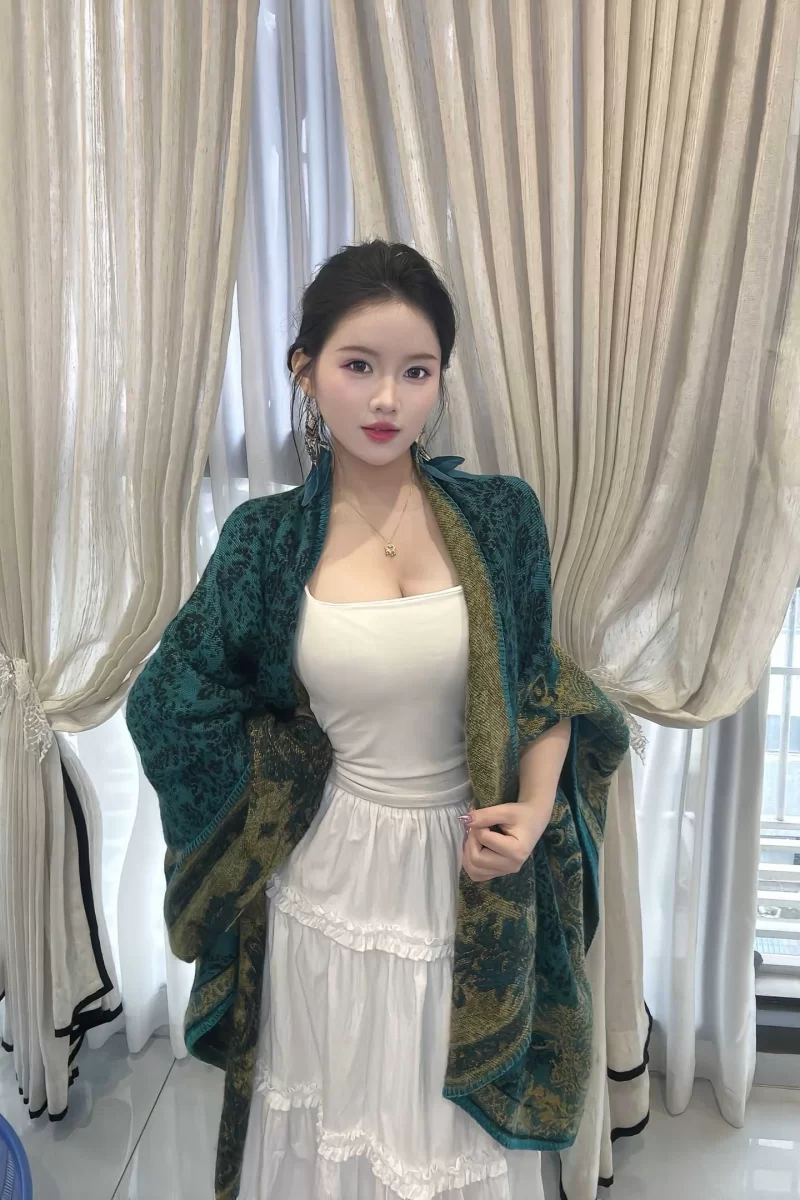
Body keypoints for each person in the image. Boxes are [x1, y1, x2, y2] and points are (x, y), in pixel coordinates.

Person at [126, 240, 630, 1200]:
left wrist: (531, 813)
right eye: (359, 366)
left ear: (442, 377)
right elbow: (171, 701)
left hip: (468, 877)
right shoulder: (266, 541)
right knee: (331, 1120)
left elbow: (542, 687)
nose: (388, 399)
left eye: (417, 371)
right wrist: (278, 783)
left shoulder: (501, 519)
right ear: (306, 370)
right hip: (328, 881)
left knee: (447, 1141)